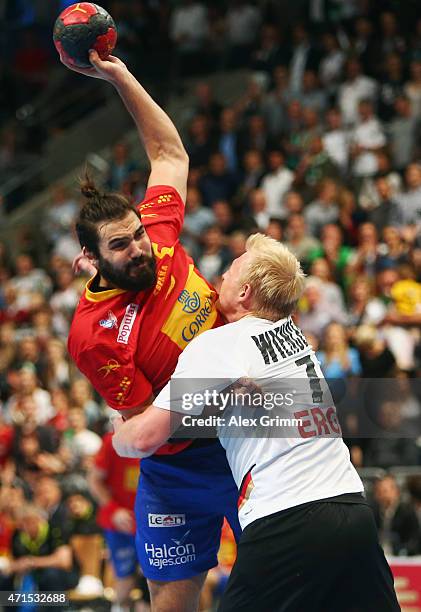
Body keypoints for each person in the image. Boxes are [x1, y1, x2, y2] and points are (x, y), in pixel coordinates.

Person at [113, 234, 399, 612]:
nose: (220, 280)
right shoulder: (296, 336)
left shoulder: (221, 344)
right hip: (351, 510)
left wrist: (120, 432)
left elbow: (146, 437)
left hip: (287, 520)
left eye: (229, 273)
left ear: (245, 292)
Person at [60, 49, 241, 612]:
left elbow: (168, 152)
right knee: (170, 598)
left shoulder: (158, 236)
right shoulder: (93, 337)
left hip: (253, 433)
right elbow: (148, 429)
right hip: (179, 462)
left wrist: (117, 74)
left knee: (303, 571)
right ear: (90, 257)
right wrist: (217, 383)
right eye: (120, 246)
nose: (139, 249)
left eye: (136, 234)